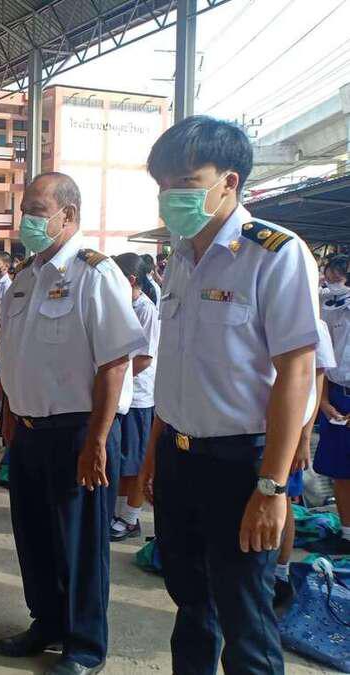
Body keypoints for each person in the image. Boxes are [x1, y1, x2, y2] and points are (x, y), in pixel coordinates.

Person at [138, 116, 319, 674]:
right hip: (179, 457)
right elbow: (178, 368)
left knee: (245, 616)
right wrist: (154, 452)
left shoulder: (275, 253)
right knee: (190, 604)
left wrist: (273, 486)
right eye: (163, 184)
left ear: (229, 182)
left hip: (241, 464)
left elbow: (297, 373)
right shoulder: (180, 256)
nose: (171, 195)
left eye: (186, 181)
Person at [0, 172, 145, 674]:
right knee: (34, 535)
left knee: (81, 543)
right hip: (29, 430)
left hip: (80, 432)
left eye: (38, 211)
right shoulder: (24, 279)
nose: (27, 220)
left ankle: (84, 646)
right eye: (24, 210)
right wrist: (10, 414)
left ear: (69, 215)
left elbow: (115, 363)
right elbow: (15, 355)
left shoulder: (95, 274)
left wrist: (98, 440)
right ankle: (47, 622)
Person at [274, 318, 335, 613]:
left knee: (282, 500)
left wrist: (303, 437)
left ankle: (280, 573)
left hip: (289, 430)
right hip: (256, 427)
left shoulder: (314, 324)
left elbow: (316, 379)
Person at [109, 253, 159, 541]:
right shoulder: (122, 305)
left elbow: (144, 358)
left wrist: (118, 380)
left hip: (138, 397)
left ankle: (130, 517)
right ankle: (118, 513)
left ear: (130, 279)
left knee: (136, 463)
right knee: (121, 462)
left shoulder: (146, 310)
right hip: (121, 395)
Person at [314, 254, 350, 555]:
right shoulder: (328, 306)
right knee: (340, 470)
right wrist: (323, 400)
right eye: (331, 274)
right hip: (337, 396)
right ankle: (347, 534)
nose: (335, 281)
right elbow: (323, 359)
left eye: (341, 276)